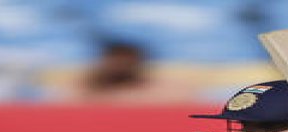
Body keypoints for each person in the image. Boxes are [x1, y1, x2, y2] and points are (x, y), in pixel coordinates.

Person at [59, 41, 198, 104]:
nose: (119, 66)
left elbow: (185, 100)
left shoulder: (161, 90)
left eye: (126, 61)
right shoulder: (83, 87)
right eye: (115, 60)